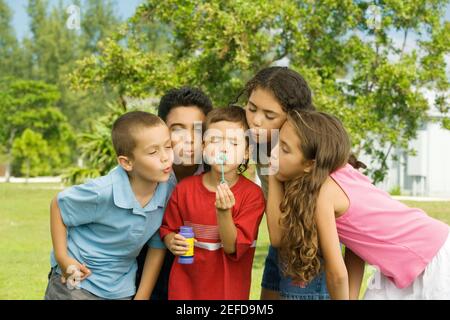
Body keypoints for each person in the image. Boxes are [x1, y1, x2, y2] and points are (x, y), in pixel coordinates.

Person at [267, 109, 450, 299]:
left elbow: (336, 274)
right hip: (405, 264)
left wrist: (272, 173)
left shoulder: (323, 194)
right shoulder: (338, 175)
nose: (273, 153)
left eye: (284, 149)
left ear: (310, 165)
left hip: (433, 258)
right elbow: (356, 244)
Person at [44, 111, 175, 300]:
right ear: (127, 162)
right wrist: (63, 258)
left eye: (168, 146)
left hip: (120, 289)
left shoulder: (168, 187)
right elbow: (58, 205)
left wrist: (142, 296)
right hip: (77, 283)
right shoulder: (103, 191)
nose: (165, 157)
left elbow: (157, 244)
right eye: (153, 152)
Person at [233, 66, 329, 299]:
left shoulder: (302, 156)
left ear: (293, 118)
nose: (256, 120)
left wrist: (274, 164)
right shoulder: (258, 140)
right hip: (280, 251)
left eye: (269, 115)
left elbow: (279, 236)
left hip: (306, 253)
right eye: (252, 108)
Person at [160, 106, 266, 299]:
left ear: (247, 152)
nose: (223, 148)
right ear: (204, 146)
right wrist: (171, 241)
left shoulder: (253, 195)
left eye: (234, 142)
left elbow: (232, 248)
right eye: (215, 140)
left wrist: (224, 213)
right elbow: (168, 228)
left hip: (227, 293)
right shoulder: (184, 189)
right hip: (184, 290)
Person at [135, 87, 213, 299]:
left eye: (198, 130)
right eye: (177, 129)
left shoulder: (216, 177)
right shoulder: (140, 173)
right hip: (136, 274)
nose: (189, 139)